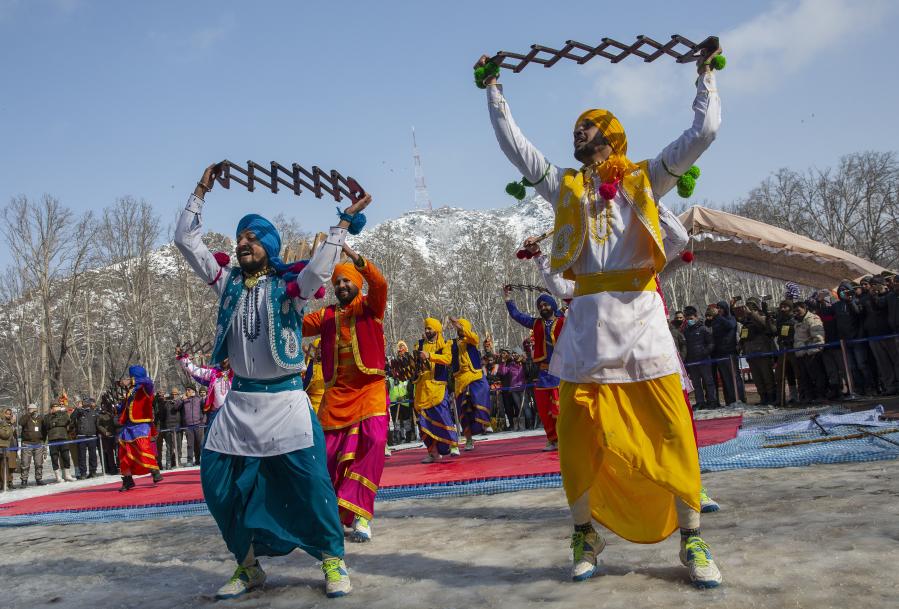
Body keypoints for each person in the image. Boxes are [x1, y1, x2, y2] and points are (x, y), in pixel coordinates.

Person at [478, 41, 723, 588]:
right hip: (585, 329)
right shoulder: (563, 187)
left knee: (671, 429)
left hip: (643, 324)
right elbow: (518, 151)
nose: (577, 132)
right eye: (575, 128)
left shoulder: (646, 178)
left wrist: (705, 75)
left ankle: (692, 538)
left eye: (587, 126)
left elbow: (703, 134)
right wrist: (495, 92)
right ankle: (585, 534)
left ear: (611, 136)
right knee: (576, 435)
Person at [173, 164, 367, 599]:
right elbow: (186, 241)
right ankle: (248, 566)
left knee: (312, 483)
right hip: (239, 404)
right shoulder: (226, 285)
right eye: (240, 238)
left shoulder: (290, 287)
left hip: (285, 402)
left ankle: (333, 558)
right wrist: (202, 188)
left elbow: (319, 272)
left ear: (270, 246)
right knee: (215, 479)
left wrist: (340, 224)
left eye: (252, 238)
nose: (243, 244)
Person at [302, 242, 389, 544]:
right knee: (326, 456)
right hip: (337, 395)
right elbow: (296, 324)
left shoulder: (371, 307)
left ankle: (362, 515)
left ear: (357, 284)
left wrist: (355, 258)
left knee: (375, 441)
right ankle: (336, 515)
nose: (341, 285)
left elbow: (380, 283)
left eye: (346, 280)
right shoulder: (325, 316)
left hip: (370, 390)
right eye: (337, 281)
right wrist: (291, 292)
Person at [504, 286, 564, 450]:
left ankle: (564, 439)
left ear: (552, 305)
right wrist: (508, 299)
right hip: (544, 373)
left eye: (546, 305)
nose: (543, 308)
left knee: (559, 408)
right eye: (540, 306)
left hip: (562, 372)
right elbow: (517, 316)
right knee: (544, 410)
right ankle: (552, 439)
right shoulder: (536, 323)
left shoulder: (564, 321)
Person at [413, 318, 460, 463]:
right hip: (422, 389)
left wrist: (429, 356)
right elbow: (414, 363)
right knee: (423, 422)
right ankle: (433, 453)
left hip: (438, 388)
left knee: (443, 416)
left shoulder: (446, 344)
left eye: (430, 328)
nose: (427, 331)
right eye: (426, 328)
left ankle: (453, 446)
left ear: (437, 330)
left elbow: (447, 359)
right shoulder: (419, 345)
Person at [448, 317, 492, 451]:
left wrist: (460, 327)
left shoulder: (473, 339)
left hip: (475, 376)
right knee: (464, 411)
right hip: (460, 380)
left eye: (462, 327)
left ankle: (485, 422)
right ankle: (468, 440)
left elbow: (474, 338)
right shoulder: (451, 343)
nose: (459, 329)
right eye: (458, 327)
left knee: (482, 393)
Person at [117, 367, 164, 490]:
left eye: (131, 376)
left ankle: (155, 471)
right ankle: (127, 480)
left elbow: (147, 380)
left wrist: (132, 381)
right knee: (123, 452)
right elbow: (127, 407)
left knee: (143, 446)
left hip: (141, 423)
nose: (128, 378)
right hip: (128, 425)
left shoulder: (146, 388)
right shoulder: (131, 391)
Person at [833, 281, 876, 395]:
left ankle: (870, 386)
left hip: (857, 338)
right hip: (845, 340)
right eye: (841, 291)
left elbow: (859, 313)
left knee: (862, 364)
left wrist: (850, 300)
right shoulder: (837, 305)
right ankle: (858, 388)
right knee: (852, 367)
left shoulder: (856, 301)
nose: (843, 293)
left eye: (845, 290)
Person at [734, 298, 777, 405]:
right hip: (751, 353)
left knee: (767, 377)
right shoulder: (746, 323)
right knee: (757, 379)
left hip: (763, 352)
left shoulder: (763, 317)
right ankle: (763, 397)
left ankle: (772, 397)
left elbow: (767, 326)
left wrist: (752, 314)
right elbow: (744, 337)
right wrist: (740, 345)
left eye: (751, 306)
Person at [177, 350, 233, 428]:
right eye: (221, 358)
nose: (223, 360)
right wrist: (184, 359)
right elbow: (194, 370)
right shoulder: (212, 373)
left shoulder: (237, 373)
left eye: (225, 358)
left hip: (232, 413)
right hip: (216, 414)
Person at [683, 306, 718, 409]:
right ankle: (700, 402)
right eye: (688, 319)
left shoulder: (703, 329)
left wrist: (705, 352)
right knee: (696, 383)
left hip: (704, 360)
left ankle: (712, 401)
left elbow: (711, 343)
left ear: (696, 317)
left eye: (691, 318)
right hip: (692, 362)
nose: (690, 321)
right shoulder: (686, 331)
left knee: (708, 382)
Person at [792, 301, 827, 401]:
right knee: (805, 377)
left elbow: (818, 336)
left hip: (812, 352)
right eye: (794, 311)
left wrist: (812, 350)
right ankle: (809, 396)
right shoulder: (797, 321)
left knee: (817, 375)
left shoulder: (812, 319)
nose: (796, 313)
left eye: (798, 310)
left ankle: (821, 395)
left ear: (804, 308)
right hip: (801, 352)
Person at [44, 398, 76, 482]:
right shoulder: (47, 416)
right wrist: (55, 421)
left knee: (66, 456)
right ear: (51, 408)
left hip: (63, 437)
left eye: (57, 406)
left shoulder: (63, 414)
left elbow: (66, 421)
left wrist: (56, 421)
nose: (56, 408)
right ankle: (58, 476)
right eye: (54, 406)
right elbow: (48, 424)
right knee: (54, 458)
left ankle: (67, 475)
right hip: (52, 439)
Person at [774, 300, 799, 404]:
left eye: (785, 307)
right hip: (783, 348)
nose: (783, 309)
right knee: (786, 373)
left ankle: (803, 394)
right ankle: (789, 396)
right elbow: (776, 332)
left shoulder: (794, 319)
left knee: (798, 372)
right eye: (781, 307)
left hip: (794, 348)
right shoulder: (780, 320)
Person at [72, 397, 101, 478]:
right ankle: (83, 473)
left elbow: (97, 424)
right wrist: (78, 409)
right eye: (84, 402)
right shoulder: (79, 412)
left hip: (92, 436)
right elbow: (72, 418)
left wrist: (98, 433)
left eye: (87, 402)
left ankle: (93, 471)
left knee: (93, 455)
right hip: (81, 436)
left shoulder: (94, 412)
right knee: (81, 456)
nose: (85, 404)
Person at [18, 404, 45, 487]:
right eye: (31, 409)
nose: (33, 411)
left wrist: (43, 440)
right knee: (25, 463)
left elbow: (44, 429)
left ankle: (39, 478)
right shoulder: (25, 417)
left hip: (38, 443)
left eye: (34, 409)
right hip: (27, 444)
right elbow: (20, 423)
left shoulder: (40, 418)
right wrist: (28, 414)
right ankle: (24, 480)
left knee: (38, 463)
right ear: (28, 409)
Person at [177, 386, 205, 466]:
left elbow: (205, 409)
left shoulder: (198, 399)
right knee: (190, 444)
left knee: (200, 444)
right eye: (187, 390)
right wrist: (181, 399)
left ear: (194, 391)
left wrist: (203, 421)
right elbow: (176, 407)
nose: (188, 392)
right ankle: (190, 460)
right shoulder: (184, 400)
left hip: (198, 424)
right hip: (188, 426)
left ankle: (201, 460)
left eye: (189, 390)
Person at [97, 396, 120, 474]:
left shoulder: (113, 413)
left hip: (115, 434)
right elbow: (99, 425)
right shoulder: (101, 415)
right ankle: (112, 469)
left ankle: (120, 467)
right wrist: (105, 432)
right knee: (110, 454)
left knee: (118, 452)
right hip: (107, 436)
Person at [302, 339, 325, 414]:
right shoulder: (309, 363)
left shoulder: (331, 364)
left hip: (327, 401)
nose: (320, 351)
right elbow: (303, 383)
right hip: (312, 403)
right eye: (318, 349)